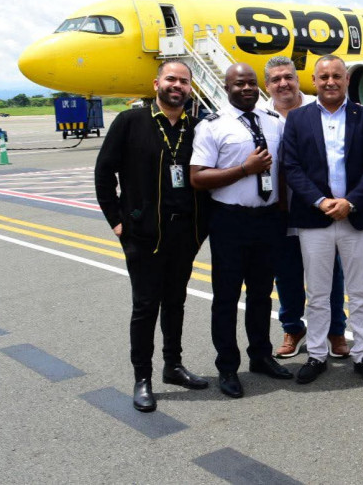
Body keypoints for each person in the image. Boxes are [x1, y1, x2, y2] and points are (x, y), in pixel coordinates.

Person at [95, 60, 210, 412]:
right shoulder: (131, 122)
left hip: (184, 232)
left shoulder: (196, 127)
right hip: (144, 234)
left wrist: (200, 229)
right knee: (145, 307)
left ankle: (172, 365)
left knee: (176, 302)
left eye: (184, 82)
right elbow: (104, 173)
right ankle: (141, 377)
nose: (177, 86)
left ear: (191, 88)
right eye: (171, 79)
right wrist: (118, 222)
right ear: (156, 82)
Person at [190, 63, 294, 399]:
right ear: (227, 87)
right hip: (230, 220)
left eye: (251, 83)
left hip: (268, 219)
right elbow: (197, 177)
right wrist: (243, 169)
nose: (246, 88)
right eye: (239, 84)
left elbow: (282, 170)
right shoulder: (212, 126)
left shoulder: (274, 122)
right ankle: (227, 367)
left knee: (262, 294)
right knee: (226, 297)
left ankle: (261, 356)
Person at [282, 55, 363, 385]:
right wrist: (322, 200)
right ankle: (316, 354)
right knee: (318, 293)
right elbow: (292, 166)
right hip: (315, 218)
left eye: (337, 76)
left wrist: (351, 202)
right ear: (314, 80)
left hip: (356, 217)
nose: (330, 82)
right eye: (324, 76)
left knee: (360, 291)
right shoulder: (298, 119)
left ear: (346, 79)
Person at [261, 56, 349, 360]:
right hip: (279, 208)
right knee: (286, 273)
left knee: (331, 272)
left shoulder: (320, 106)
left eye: (288, 77)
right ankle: (293, 327)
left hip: (319, 208)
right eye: (275, 79)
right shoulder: (259, 115)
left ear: (300, 79)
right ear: (267, 85)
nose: (283, 83)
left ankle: (336, 330)